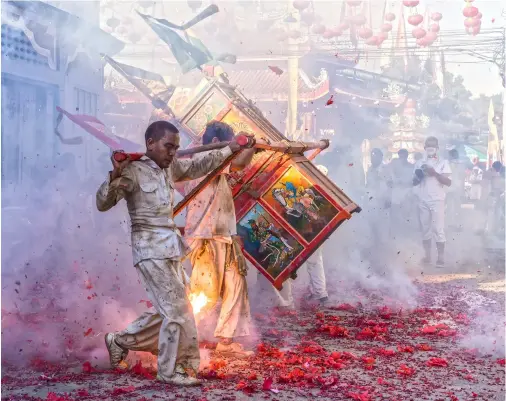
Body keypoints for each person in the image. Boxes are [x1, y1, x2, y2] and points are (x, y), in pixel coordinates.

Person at [96, 120, 246, 386]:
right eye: (168, 147)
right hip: (149, 250)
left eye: (176, 148)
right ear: (150, 144)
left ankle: (120, 340)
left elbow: (199, 165)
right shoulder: (132, 171)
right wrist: (114, 174)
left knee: (176, 308)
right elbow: (103, 203)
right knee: (177, 310)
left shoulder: (170, 168)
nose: (173, 153)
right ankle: (170, 370)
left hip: (171, 248)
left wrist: (230, 149)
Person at [184, 121, 256, 359]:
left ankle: (226, 340)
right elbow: (240, 162)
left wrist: (248, 144)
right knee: (206, 294)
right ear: (216, 142)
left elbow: (238, 162)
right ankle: (177, 333)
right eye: (231, 142)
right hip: (206, 235)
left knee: (236, 286)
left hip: (225, 234)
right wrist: (246, 146)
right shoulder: (208, 159)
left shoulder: (215, 157)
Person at [413, 136, 452, 267]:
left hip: (437, 200)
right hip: (422, 199)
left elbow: (448, 182)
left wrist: (434, 173)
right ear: (424, 147)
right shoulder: (419, 162)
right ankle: (427, 257)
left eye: (433, 145)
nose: (430, 147)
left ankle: (440, 258)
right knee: (425, 228)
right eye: (428, 145)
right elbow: (414, 182)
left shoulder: (443, 162)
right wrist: (419, 176)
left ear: (437, 148)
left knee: (438, 228)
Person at [365, 149, 393, 266]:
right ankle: (374, 258)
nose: (373, 158)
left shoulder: (386, 169)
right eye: (372, 155)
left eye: (376, 155)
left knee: (383, 231)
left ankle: (385, 259)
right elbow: (368, 185)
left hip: (383, 202)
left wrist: (388, 198)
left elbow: (391, 184)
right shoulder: (369, 170)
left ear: (381, 157)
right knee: (372, 229)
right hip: (372, 202)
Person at [389, 149, 414, 238]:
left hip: (407, 192)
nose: (402, 157)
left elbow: (412, 181)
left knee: (406, 214)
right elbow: (390, 177)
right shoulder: (394, 165)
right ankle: (395, 234)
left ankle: (405, 234)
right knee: (395, 213)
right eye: (400, 155)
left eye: (403, 156)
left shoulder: (411, 167)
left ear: (406, 156)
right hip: (396, 193)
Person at [446, 149, 466, 231]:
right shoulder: (462, 164)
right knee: (458, 206)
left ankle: (451, 224)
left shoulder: (448, 164)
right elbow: (463, 177)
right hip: (458, 187)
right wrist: (462, 189)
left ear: (451, 155)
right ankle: (459, 224)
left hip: (450, 187)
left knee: (450, 206)